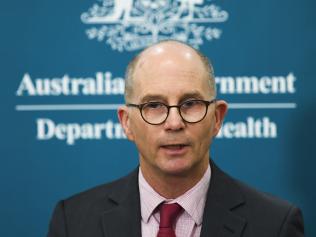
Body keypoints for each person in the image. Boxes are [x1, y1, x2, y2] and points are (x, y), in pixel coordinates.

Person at [47, 40, 304, 237]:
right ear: (127, 123)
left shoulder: (275, 224)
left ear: (217, 118)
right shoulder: (73, 222)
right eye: (154, 105)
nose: (174, 123)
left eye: (190, 103)